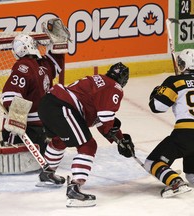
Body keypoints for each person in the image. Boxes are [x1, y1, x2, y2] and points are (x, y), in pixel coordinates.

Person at [36, 62, 135, 207]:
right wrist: (120, 140)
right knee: (88, 146)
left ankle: (47, 174)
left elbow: (102, 122)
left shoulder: (99, 81)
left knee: (59, 140)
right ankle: (75, 189)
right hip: (63, 107)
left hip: (47, 104)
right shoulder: (114, 87)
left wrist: (120, 139)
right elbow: (106, 118)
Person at [145, 48, 194, 198]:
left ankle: (175, 182)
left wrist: (157, 91)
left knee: (152, 162)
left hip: (184, 135)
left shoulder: (174, 82)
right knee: (193, 176)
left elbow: (157, 107)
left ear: (183, 64)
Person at [1, 18, 69, 156]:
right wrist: (58, 43)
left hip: (29, 134)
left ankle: (11, 143)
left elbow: (9, 97)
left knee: (10, 115)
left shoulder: (23, 66)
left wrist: (15, 118)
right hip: (46, 131)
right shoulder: (44, 65)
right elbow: (56, 63)